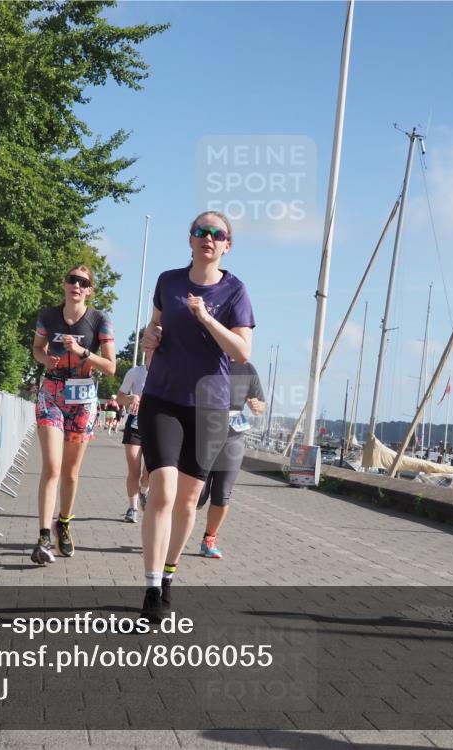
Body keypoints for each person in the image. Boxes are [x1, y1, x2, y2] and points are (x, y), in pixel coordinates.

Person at [138, 211, 254, 621]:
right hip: (163, 397)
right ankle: (152, 589)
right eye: (200, 232)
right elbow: (153, 330)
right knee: (163, 491)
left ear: (226, 245)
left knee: (188, 501)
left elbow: (242, 352)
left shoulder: (235, 291)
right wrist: (149, 337)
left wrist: (206, 317)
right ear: (190, 240)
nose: (208, 238)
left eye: (216, 234)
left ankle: (170, 573)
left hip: (209, 406)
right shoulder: (168, 281)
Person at [31, 265, 116, 563]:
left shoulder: (99, 321)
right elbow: (37, 349)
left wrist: (82, 352)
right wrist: (47, 360)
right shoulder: (48, 316)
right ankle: (43, 537)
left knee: (70, 472)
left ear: (90, 290)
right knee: (52, 467)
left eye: (83, 282)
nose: (76, 286)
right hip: (52, 394)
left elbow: (111, 366)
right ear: (64, 285)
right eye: (72, 280)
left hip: (82, 399)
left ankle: (63, 524)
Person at [195, 360, 266, 558]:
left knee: (223, 492)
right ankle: (175, 531)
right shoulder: (208, 359)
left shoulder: (248, 369)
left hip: (233, 436)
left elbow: (261, 406)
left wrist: (257, 405)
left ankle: (209, 539)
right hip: (204, 432)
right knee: (197, 494)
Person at [117, 362, 150, 523]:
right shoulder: (135, 372)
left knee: (148, 473)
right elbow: (119, 398)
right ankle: (132, 508)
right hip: (135, 423)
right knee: (134, 471)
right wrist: (132, 397)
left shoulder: (168, 371)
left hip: (157, 426)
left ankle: (144, 491)